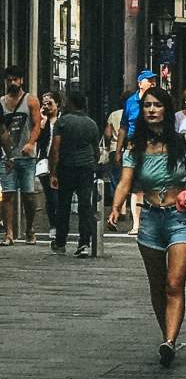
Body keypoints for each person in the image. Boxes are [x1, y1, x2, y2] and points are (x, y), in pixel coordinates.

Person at [108, 86, 186, 366]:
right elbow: (125, 180)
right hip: (149, 220)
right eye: (146, 106)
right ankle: (166, 336)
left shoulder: (184, 142)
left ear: (167, 110)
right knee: (157, 285)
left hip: (180, 219)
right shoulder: (136, 146)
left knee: (173, 283)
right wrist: (115, 207)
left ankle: (170, 340)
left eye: (157, 105)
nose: (151, 110)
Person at [49, 90, 101, 257]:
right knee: (85, 205)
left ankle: (60, 241)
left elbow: (55, 148)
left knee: (63, 205)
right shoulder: (92, 124)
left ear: (70, 103)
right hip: (86, 167)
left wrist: (53, 172)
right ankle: (84, 242)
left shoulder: (62, 122)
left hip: (66, 167)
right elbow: (96, 150)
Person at [1, 65, 44, 245]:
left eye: (15, 79)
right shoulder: (1, 102)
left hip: (26, 155)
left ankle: (29, 229)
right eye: (9, 79)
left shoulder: (31, 101)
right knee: (8, 194)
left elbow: (36, 125)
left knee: (28, 194)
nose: (12, 82)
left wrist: (30, 143)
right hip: (6, 155)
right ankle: (9, 232)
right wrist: (8, 153)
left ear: (21, 80)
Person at [115, 70, 158, 236]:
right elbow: (124, 126)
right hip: (133, 147)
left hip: (152, 147)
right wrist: (119, 149)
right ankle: (137, 224)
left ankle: (152, 223)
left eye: (154, 81)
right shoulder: (130, 102)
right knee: (135, 188)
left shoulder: (157, 100)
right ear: (140, 83)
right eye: (150, 80)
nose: (153, 83)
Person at [34, 91, 64, 239]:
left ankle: (60, 225)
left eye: (50, 103)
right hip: (45, 161)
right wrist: (42, 120)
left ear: (57, 104)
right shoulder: (42, 121)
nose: (47, 106)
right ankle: (54, 225)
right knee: (51, 196)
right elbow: (37, 139)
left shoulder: (63, 121)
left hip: (61, 162)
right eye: (44, 103)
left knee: (60, 195)